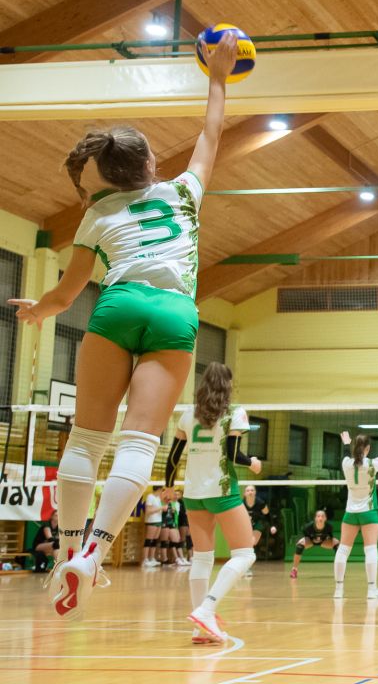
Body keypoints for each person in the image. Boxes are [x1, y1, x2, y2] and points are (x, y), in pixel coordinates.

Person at [8, 34, 238, 621]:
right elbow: (212, 135)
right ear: (150, 165)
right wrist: (217, 76)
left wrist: (39, 312)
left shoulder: (96, 213)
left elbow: (67, 292)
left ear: (104, 177)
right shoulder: (183, 192)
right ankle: (95, 554)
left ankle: (67, 553)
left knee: (87, 439)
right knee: (139, 442)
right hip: (175, 311)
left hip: (118, 304)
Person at [165, 361, 263, 644]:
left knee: (202, 557)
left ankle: (200, 629)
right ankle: (206, 610)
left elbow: (173, 457)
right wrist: (252, 462)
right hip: (222, 491)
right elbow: (233, 454)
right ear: (227, 385)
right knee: (245, 554)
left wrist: (169, 486)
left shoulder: (188, 415)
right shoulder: (235, 413)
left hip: (194, 494)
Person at [334, 431, 378, 601]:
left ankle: (338, 590)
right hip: (369, 513)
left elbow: (345, 454)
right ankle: (372, 590)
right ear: (368, 448)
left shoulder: (346, 464)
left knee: (343, 550)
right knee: (370, 550)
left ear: (354, 447)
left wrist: (345, 443)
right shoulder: (372, 463)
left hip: (350, 513)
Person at [290, 509, 338, 579]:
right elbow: (302, 536)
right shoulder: (308, 527)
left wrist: (331, 541)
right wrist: (300, 541)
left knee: (338, 545)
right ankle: (294, 570)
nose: (320, 518)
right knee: (300, 545)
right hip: (310, 541)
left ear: (325, 518)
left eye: (322, 516)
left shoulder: (329, 527)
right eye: (318, 516)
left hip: (323, 541)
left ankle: (339, 571)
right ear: (315, 518)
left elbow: (331, 537)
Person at [241, 484, 275, 575]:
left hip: (258, 524)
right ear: (244, 493)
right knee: (244, 546)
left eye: (252, 490)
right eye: (248, 490)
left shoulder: (260, 503)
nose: (250, 492)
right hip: (246, 525)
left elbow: (267, 515)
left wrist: (272, 526)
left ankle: (247, 568)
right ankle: (244, 567)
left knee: (251, 543)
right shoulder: (241, 504)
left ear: (255, 492)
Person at [142, 487, 165, 567]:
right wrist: (161, 508)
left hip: (159, 520)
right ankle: (145, 559)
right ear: (159, 489)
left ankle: (151, 558)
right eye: (162, 490)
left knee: (154, 541)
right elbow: (148, 511)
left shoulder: (158, 498)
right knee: (149, 540)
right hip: (151, 521)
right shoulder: (150, 497)